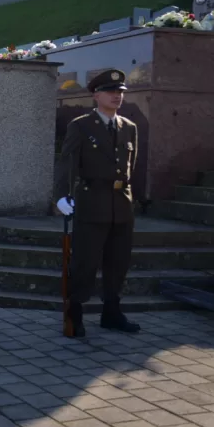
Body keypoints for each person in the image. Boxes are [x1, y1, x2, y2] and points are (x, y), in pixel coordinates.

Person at [55, 68, 141, 338]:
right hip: (92, 201)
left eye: (120, 92)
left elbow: (131, 166)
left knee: (118, 262)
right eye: (111, 92)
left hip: (121, 204)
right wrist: (62, 195)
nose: (117, 96)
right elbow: (67, 163)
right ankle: (76, 311)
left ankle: (112, 312)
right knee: (85, 262)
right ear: (96, 95)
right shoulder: (80, 126)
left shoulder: (129, 127)